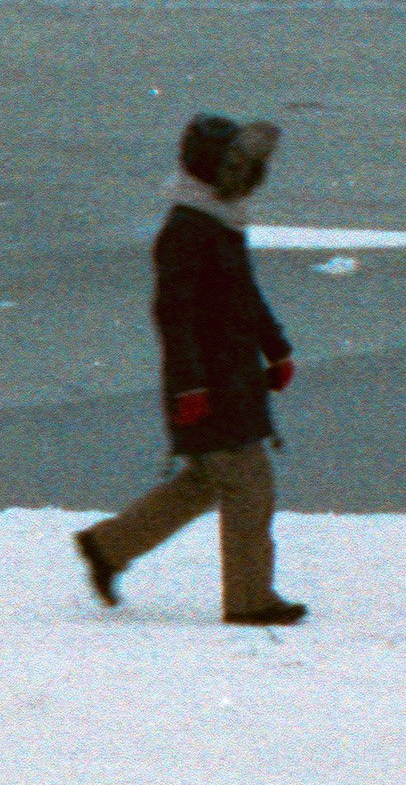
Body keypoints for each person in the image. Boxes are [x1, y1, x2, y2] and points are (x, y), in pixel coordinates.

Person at [73, 112, 306, 625]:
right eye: (238, 166)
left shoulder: (219, 223)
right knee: (247, 481)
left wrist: (277, 349)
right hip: (212, 382)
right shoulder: (186, 231)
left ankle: (108, 548)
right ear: (214, 170)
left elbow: (245, 295)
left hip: (232, 375)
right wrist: (189, 387)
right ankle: (250, 601)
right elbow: (172, 316)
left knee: (205, 480)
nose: (247, 177)